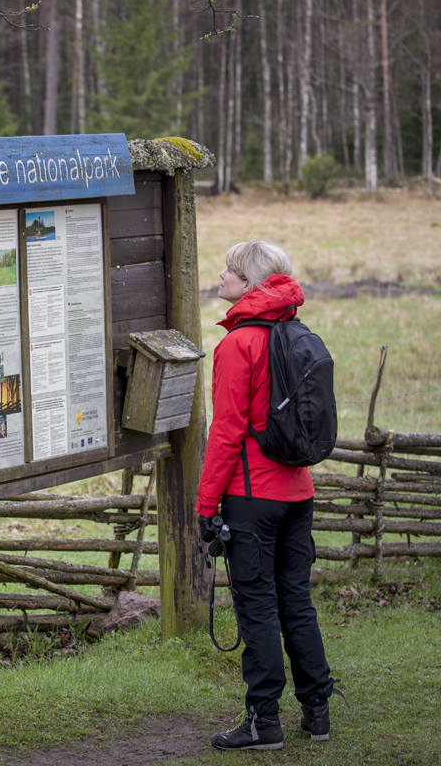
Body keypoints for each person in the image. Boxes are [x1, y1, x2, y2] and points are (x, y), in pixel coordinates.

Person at [196, 240, 338, 751]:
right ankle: (317, 712)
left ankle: (263, 724)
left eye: (230, 271)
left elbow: (227, 432)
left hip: (252, 496)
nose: (220, 276)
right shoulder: (295, 332)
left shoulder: (238, 344)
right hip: (299, 492)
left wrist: (205, 506)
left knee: (257, 608)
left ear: (250, 283)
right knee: (296, 601)